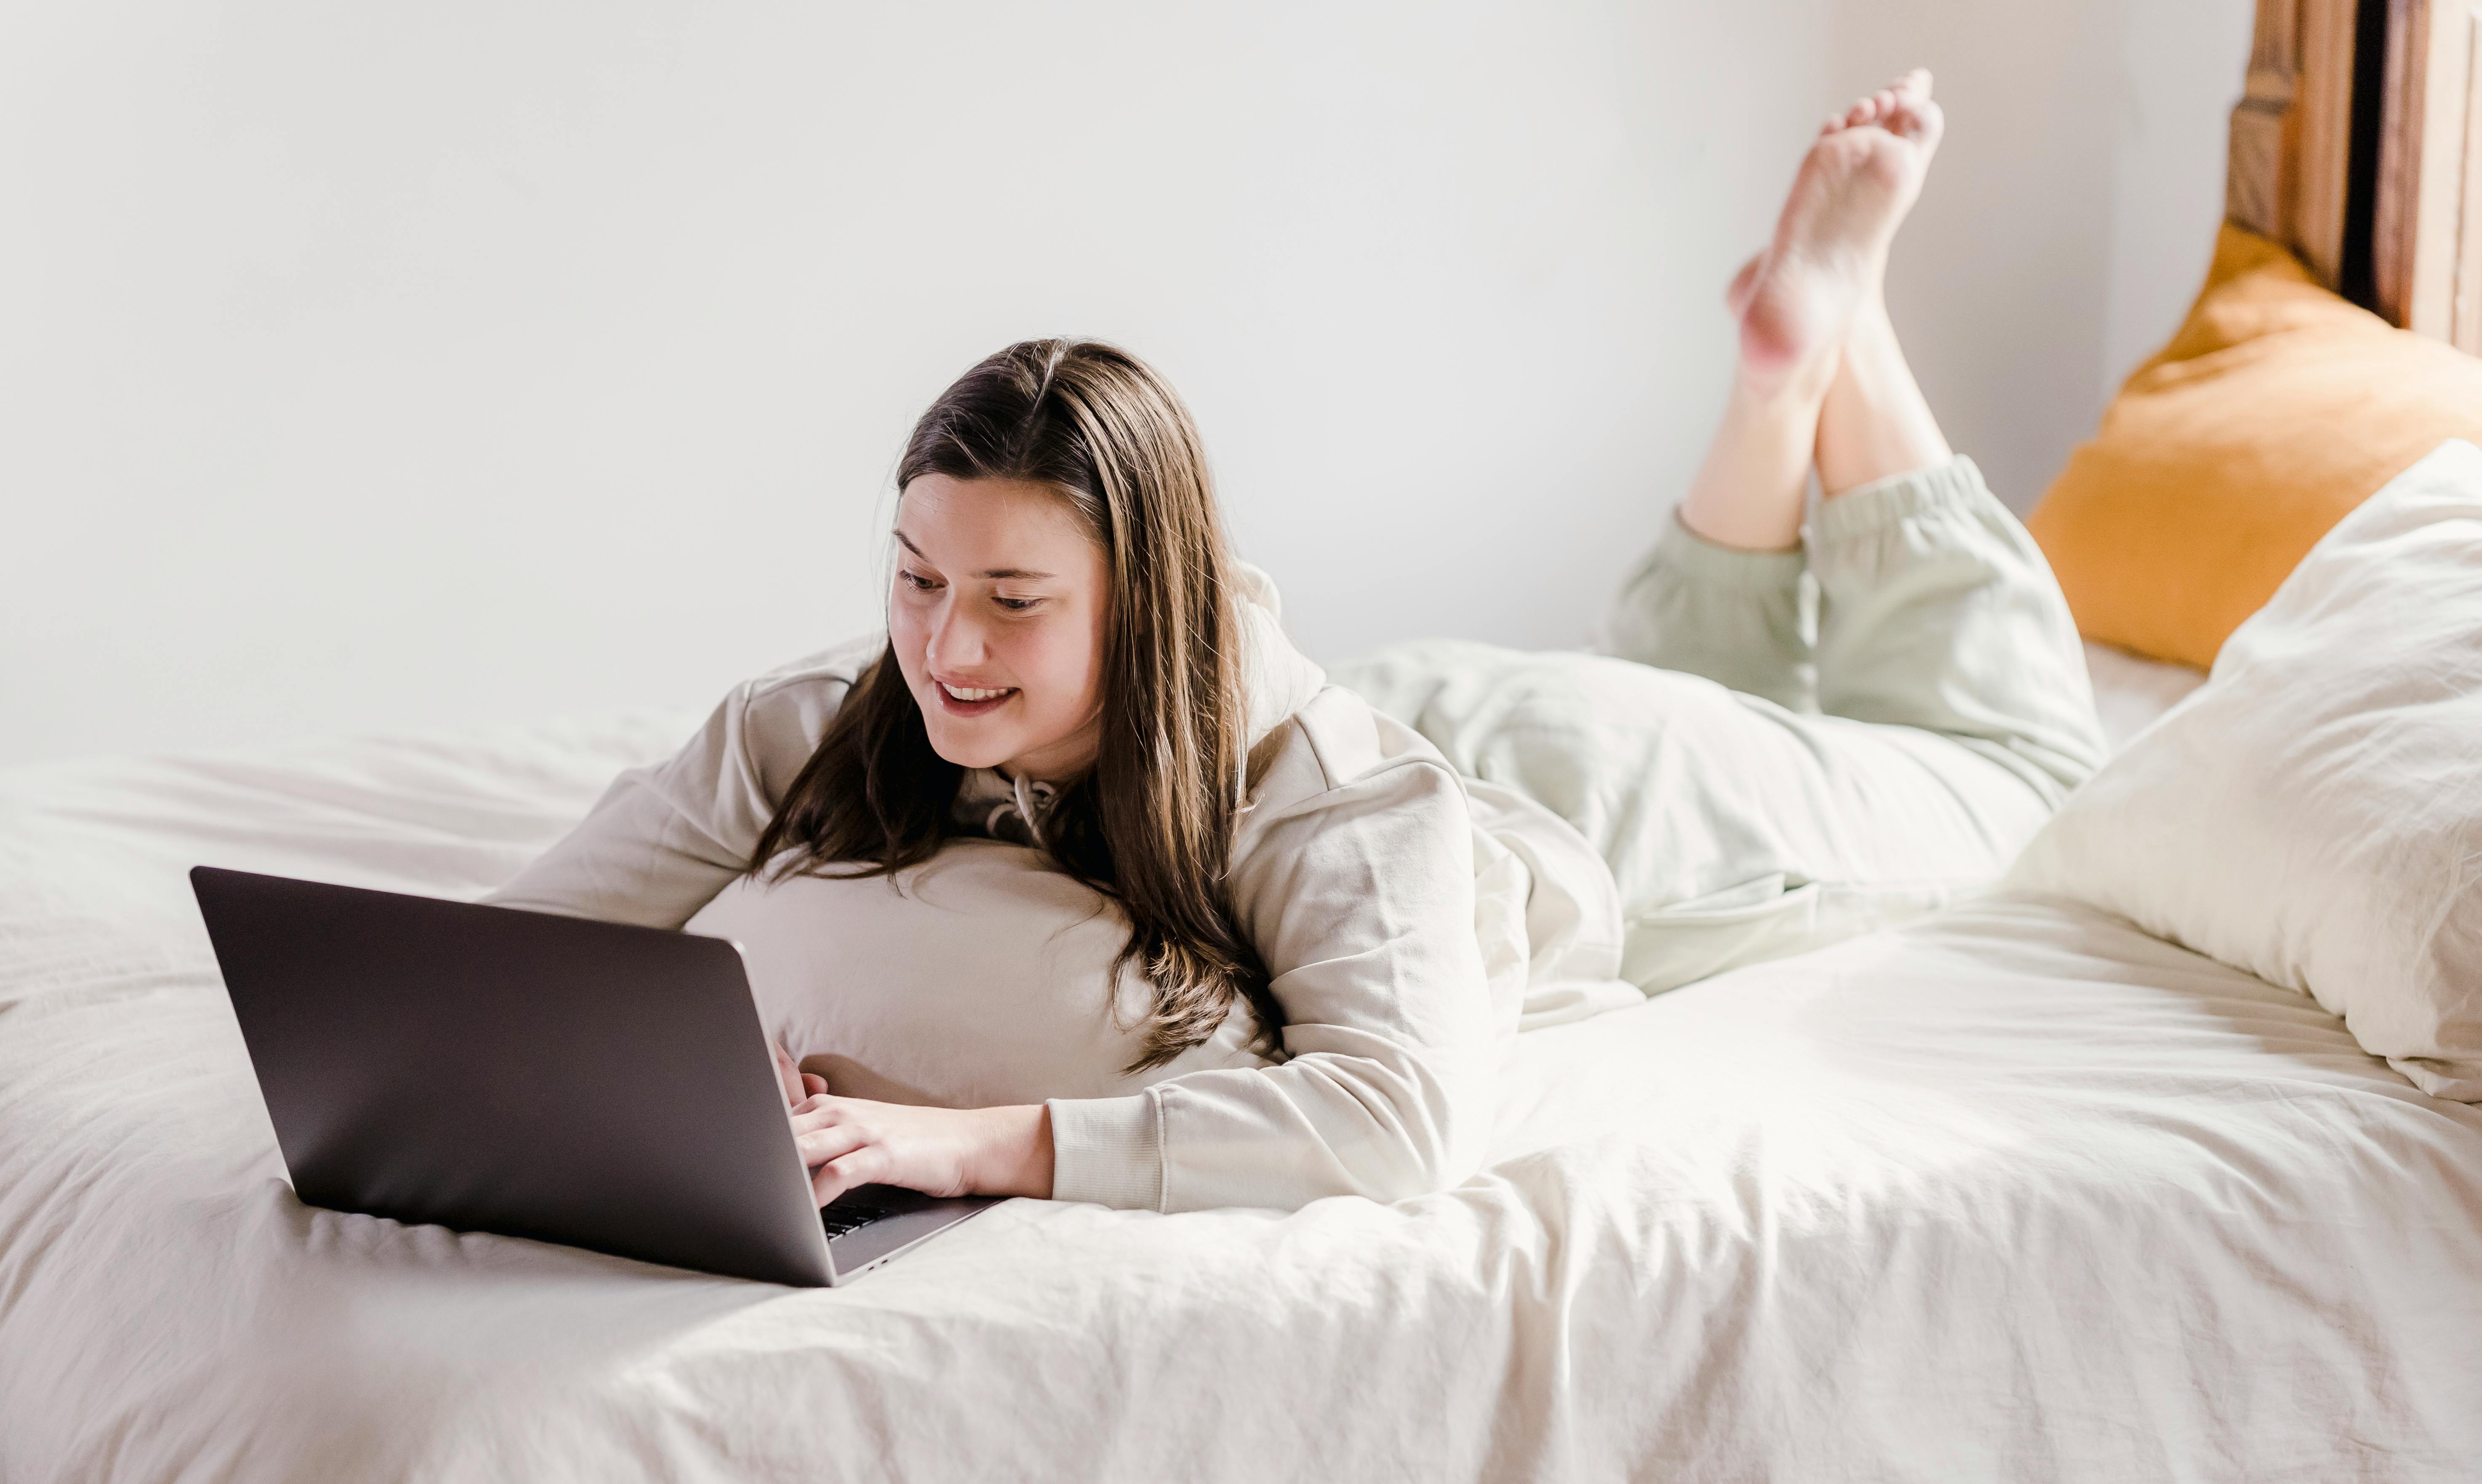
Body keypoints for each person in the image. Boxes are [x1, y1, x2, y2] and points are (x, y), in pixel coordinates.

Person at [491, 71, 2103, 1216]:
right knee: (1690, 660)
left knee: (2011, 775)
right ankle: (1778, 378)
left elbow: (1397, 1116)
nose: (943, 645)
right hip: (1435, 703)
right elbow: (504, 959)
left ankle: (1837, 338)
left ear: (1151, 602)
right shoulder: (813, 723)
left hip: (1618, 812)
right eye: (916, 578)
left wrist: (975, 1140)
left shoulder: (1335, 800)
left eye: (1014, 600)